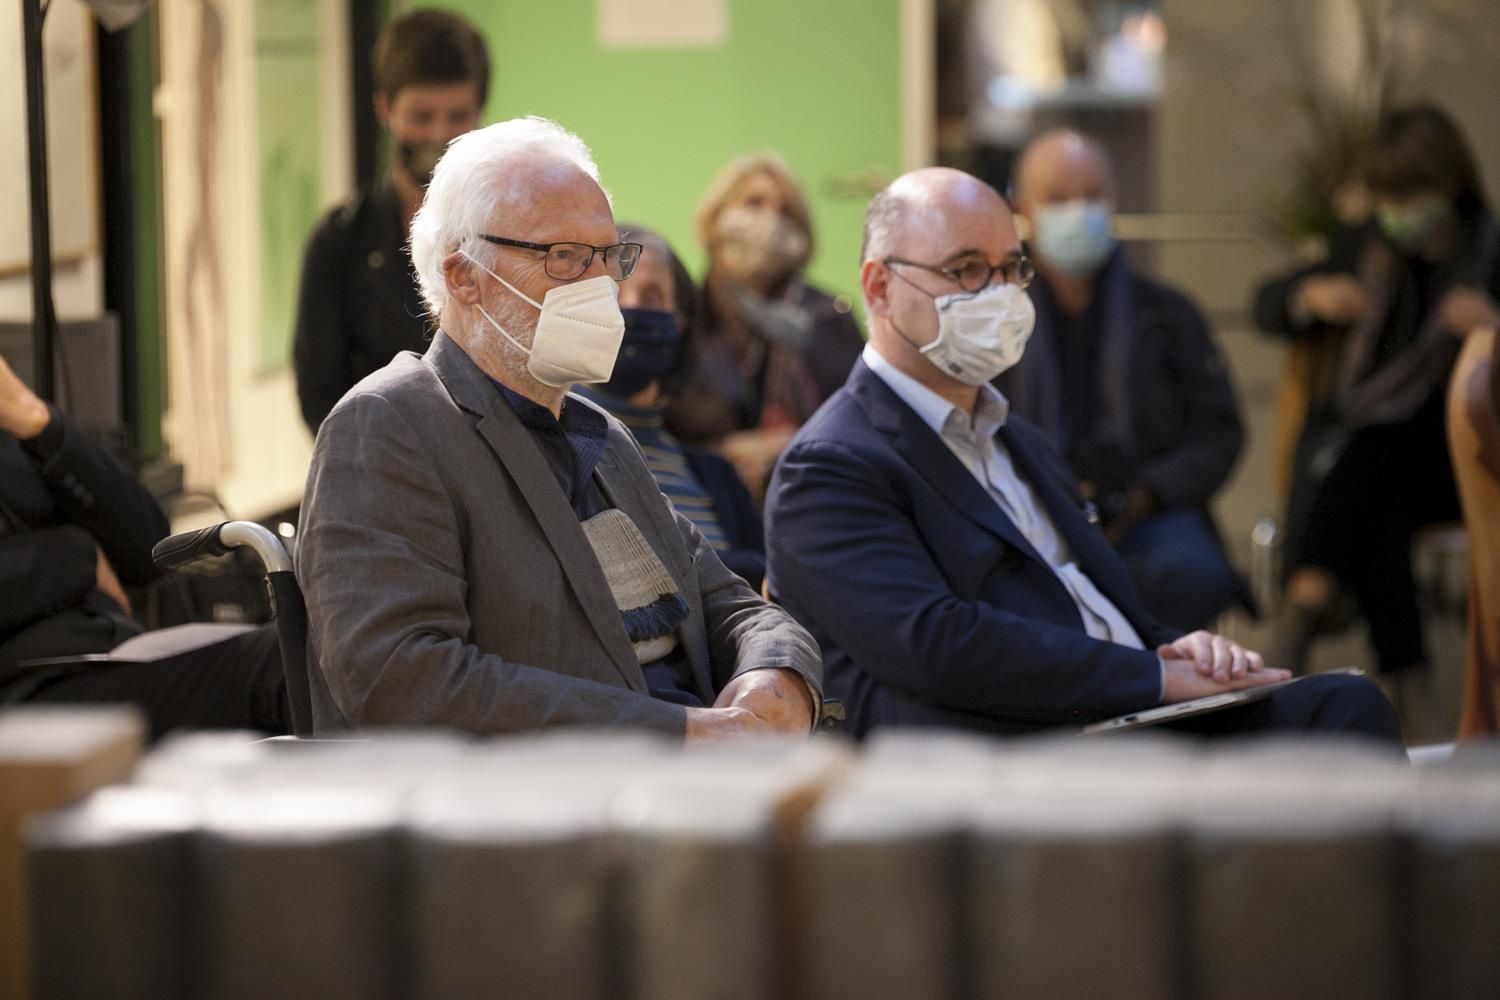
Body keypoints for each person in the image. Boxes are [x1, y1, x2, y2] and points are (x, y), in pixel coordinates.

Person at [764, 166, 1400, 742]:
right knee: (1340, 716)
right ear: (879, 287)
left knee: (1342, 704)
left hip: (1122, 709)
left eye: (1011, 268)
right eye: (966, 270)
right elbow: (937, 643)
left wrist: (1178, 651)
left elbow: (1092, 601)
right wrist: (1154, 678)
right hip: (1020, 741)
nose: (998, 292)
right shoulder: (831, 464)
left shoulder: (1019, 440)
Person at [298, 117, 822, 741]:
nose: (601, 285)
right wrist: (679, 734)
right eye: (564, 257)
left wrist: (776, 675)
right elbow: (402, 679)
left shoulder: (601, 437)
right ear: (464, 275)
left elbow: (727, 602)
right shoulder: (389, 425)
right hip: (548, 795)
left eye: (607, 256)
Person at [1256, 105, 1500, 680]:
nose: (1397, 212)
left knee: (1374, 455)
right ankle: (1409, 681)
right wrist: (1311, 296)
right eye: (1387, 197)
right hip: (1371, 461)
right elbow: (1269, 301)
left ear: (1448, 184)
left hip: (1460, 461)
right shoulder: (1365, 247)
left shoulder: (1489, 256)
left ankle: (1305, 602)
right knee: (1379, 494)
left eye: (1409, 195)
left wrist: (1494, 331)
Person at [1004, 129, 1246, 631]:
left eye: (1091, 196)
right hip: (1030, 512)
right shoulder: (997, 320)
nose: (1077, 212)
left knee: (1193, 574)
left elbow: (1219, 432)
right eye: (1058, 199)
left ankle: (1169, 678)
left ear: (1112, 199)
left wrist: (1145, 495)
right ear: (1023, 208)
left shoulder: (1167, 314)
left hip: (1151, 514)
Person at [0, 355, 287, 739]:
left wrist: (36, 418)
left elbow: (149, 548)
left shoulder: (12, 425)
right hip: (30, 690)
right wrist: (80, 553)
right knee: (283, 665)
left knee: (303, 646)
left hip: (111, 653)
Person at [292, 9, 489, 433]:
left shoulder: (510, 229)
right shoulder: (339, 241)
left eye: (458, 116)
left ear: (480, 113)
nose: (439, 134)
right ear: (384, 109)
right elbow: (320, 397)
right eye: (421, 116)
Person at [574, 225, 768, 590]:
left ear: (680, 323)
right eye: (612, 293)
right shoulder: (549, 453)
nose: (630, 308)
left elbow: (771, 585)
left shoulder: (717, 477)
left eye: (651, 297)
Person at [666, 154, 864, 499]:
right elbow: (652, 428)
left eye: (786, 210)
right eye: (754, 202)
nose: (771, 219)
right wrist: (723, 455)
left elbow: (862, 425)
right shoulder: (684, 317)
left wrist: (793, 444)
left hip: (808, 500)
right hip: (695, 502)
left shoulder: (830, 319)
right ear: (715, 219)